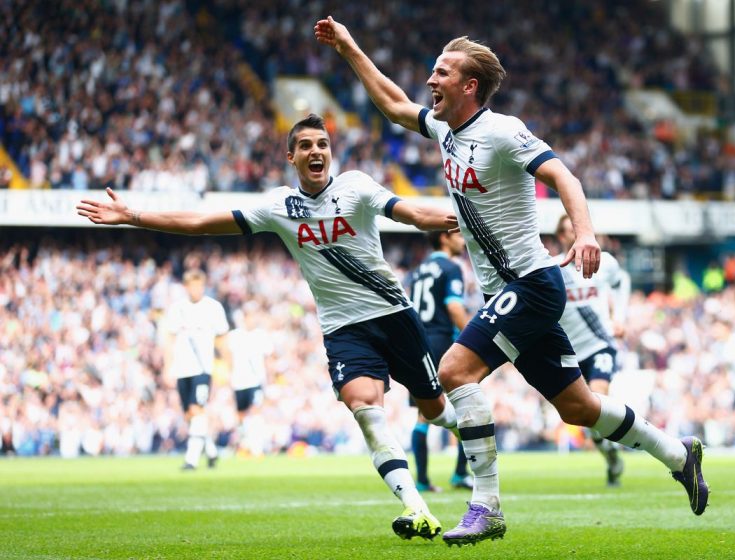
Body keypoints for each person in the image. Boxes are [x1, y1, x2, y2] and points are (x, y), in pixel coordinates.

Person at [315, 18, 710, 545]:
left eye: (441, 72)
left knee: (455, 370)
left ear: (468, 86)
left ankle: (487, 506)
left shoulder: (502, 131)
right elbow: (391, 103)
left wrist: (586, 233)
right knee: (579, 408)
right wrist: (347, 47)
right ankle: (679, 454)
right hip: (513, 293)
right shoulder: (444, 131)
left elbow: (563, 175)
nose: (430, 80)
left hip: (532, 283)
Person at [77, 113, 462, 541]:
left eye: (322, 144)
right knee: (367, 412)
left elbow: (408, 211)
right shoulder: (278, 205)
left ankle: (475, 432)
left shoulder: (355, 186)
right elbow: (202, 224)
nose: (316, 151)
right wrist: (133, 215)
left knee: (436, 411)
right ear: (291, 157)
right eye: (306, 146)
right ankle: (417, 508)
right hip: (343, 329)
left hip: (394, 317)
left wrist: (455, 218)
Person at [555, 215, 631, 486]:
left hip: (600, 345)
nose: (571, 234)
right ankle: (611, 455)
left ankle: (613, 454)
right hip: (570, 353)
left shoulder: (604, 262)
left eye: (574, 229)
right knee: (589, 417)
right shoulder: (554, 270)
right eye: (566, 231)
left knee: (599, 400)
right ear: (560, 236)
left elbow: (622, 282)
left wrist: (620, 317)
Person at [407, 230, 472, 492]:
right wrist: (476, 339)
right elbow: (454, 307)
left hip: (419, 344)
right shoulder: (451, 267)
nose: (462, 239)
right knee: (468, 405)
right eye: (457, 234)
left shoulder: (419, 270)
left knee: (423, 414)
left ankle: (422, 480)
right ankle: (459, 473)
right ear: (444, 238)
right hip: (443, 342)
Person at [161, 269, 229, 470]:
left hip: (202, 368)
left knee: (196, 410)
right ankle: (211, 451)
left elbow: (222, 336)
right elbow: (170, 339)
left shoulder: (213, 308)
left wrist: (225, 365)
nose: (196, 289)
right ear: (186, 287)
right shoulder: (177, 309)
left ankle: (191, 459)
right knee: (190, 415)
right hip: (182, 369)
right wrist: (167, 367)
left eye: (199, 285)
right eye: (192, 285)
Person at [228, 301, 273, 457]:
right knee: (241, 415)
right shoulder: (234, 336)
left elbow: (268, 359)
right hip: (239, 381)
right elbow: (228, 358)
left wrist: (269, 379)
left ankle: (256, 447)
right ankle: (244, 443)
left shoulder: (261, 335)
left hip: (256, 381)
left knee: (255, 412)